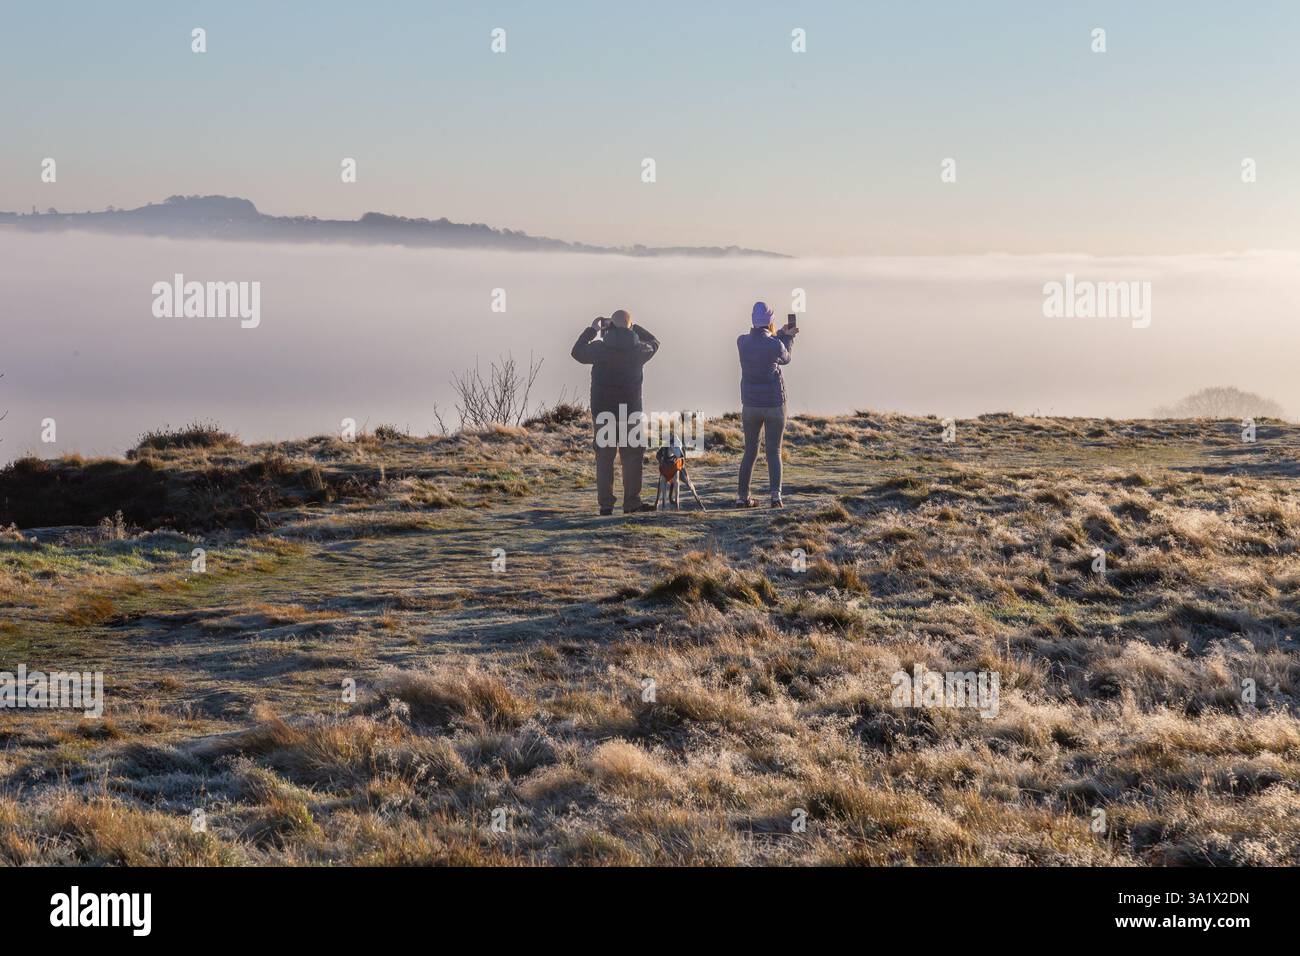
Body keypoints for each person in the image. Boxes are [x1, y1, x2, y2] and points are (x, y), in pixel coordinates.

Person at [571, 309, 660, 515]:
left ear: (609, 327)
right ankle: (632, 503)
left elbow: (576, 352)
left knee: (605, 458)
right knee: (632, 457)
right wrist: (632, 326)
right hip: (630, 412)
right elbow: (655, 341)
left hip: (603, 411)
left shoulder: (599, 349)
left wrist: (593, 330)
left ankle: (606, 505)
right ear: (630, 326)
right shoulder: (639, 349)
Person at [736, 301, 798, 507]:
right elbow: (785, 358)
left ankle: (742, 497)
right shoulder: (776, 344)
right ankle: (775, 496)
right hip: (774, 404)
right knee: (774, 451)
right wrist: (787, 336)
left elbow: (763, 343)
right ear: (770, 322)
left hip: (751, 405)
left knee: (750, 451)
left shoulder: (742, 342)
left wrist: (779, 333)